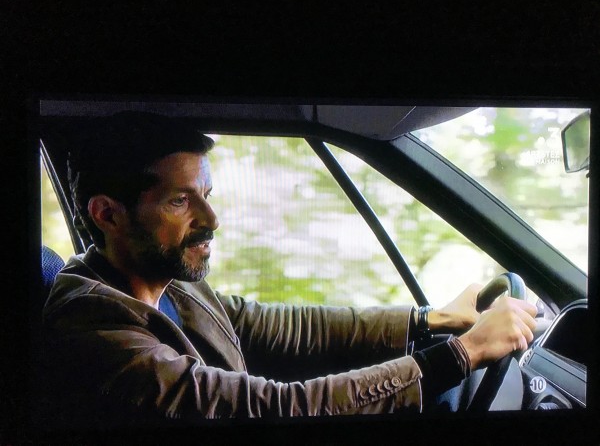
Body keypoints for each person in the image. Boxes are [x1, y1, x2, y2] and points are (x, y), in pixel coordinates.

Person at [41, 111, 538, 427]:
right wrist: (461, 355)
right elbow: (269, 409)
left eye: (206, 196)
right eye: (180, 202)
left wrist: (430, 320)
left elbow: (284, 327)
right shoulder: (94, 330)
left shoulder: (163, 282)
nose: (211, 220)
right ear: (108, 214)